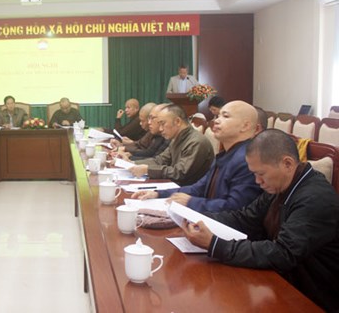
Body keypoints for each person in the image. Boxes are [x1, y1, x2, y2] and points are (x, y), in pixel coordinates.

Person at [184, 129, 339, 311]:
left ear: (287, 164)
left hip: (310, 296)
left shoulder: (315, 199)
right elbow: (245, 218)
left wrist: (215, 244)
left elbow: (283, 253)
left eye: (261, 174)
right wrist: (200, 219)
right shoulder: (279, 186)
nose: (257, 181)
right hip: (278, 281)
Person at [133, 101, 262, 212]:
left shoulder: (247, 159)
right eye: (218, 116)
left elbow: (236, 208)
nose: (216, 120)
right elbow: (199, 188)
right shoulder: (226, 154)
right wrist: (158, 194)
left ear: (246, 125)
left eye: (225, 116)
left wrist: (191, 202)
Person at [130, 104, 214, 184]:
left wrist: (148, 170)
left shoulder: (196, 142)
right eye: (159, 125)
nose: (160, 129)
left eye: (162, 124)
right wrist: (132, 164)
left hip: (187, 192)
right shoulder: (176, 139)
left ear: (177, 121)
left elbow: (180, 173)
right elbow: (160, 160)